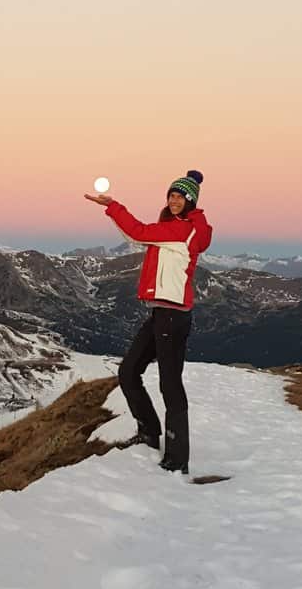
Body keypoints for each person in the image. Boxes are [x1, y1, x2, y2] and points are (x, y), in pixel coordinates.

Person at [85, 170, 213, 473]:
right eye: (171, 195)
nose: (174, 200)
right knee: (129, 371)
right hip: (160, 313)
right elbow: (141, 236)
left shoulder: (183, 231)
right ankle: (149, 433)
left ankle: (177, 457)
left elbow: (139, 232)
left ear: (191, 201)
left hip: (173, 316)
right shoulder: (173, 229)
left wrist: (113, 205)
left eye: (180, 196)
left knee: (170, 386)